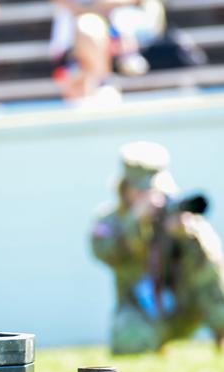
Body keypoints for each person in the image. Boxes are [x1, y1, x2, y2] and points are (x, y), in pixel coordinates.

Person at [91, 141, 224, 354]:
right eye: (141, 190)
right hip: (143, 311)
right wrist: (135, 222)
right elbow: (102, 250)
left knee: (209, 272)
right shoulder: (112, 220)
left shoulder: (176, 214)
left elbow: (215, 263)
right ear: (126, 189)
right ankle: (154, 343)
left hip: (187, 305)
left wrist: (191, 236)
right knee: (128, 340)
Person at [47, 0, 168, 101]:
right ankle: (101, 83)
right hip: (79, 38)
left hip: (123, 31)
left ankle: (103, 81)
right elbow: (63, 0)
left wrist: (104, 7)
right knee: (88, 27)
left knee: (97, 26)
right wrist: (98, 8)